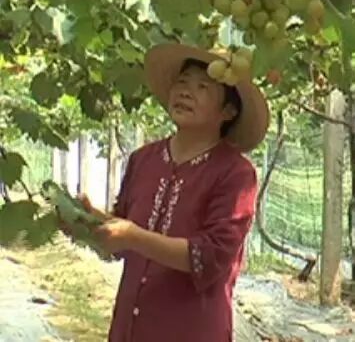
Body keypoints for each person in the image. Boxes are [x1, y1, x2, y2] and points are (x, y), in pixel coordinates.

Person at [77, 43, 270, 342]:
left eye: (202, 87)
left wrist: (133, 236)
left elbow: (209, 257)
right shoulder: (143, 159)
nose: (185, 91)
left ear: (228, 111)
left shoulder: (236, 175)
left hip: (190, 331)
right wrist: (88, 224)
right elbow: (123, 241)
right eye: (181, 82)